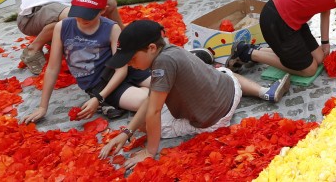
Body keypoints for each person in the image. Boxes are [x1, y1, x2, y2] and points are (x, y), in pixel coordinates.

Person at [98, 20, 290, 168]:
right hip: (230, 88)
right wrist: (126, 133)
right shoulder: (169, 48)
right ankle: (262, 91)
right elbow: (150, 100)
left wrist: (150, 151)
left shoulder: (161, 65)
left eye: (131, 59)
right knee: (221, 71)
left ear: (151, 48)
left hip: (213, 121)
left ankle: (152, 142)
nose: (130, 64)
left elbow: (153, 111)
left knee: (146, 124)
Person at [20, 0, 151, 124]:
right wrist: (42, 107)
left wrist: (98, 99)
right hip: (100, 84)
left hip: (123, 72)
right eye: (78, 13)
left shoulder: (112, 28)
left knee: (165, 85)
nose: (82, 19)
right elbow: (52, 68)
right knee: (145, 100)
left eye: (88, 15)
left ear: (102, 10)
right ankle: (119, 98)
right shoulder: (62, 27)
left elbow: (121, 69)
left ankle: (122, 97)